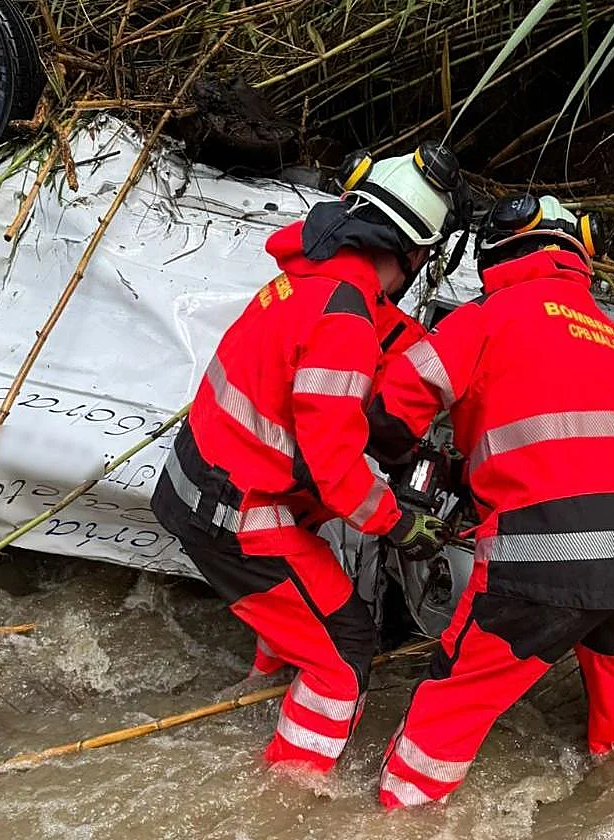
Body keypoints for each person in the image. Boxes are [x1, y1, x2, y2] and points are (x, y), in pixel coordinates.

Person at [150, 143, 465, 773]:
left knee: (306, 595)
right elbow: (336, 469)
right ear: (411, 253)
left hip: (202, 486)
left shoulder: (311, 281)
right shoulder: (343, 322)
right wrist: (399, 522)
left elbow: (382, 333)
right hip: (238, 515)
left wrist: (443, 350)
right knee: (344, 651)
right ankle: (292, 790)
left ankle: (261, 690)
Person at [366, 193, 614, 808]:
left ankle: (400, 813)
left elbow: (386, 417)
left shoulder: (485, 318)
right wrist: (468, 475)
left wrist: (416, 467)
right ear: (576, 255)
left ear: (496, 253)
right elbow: (578, 446)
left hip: (547, 546)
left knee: (456, 696)